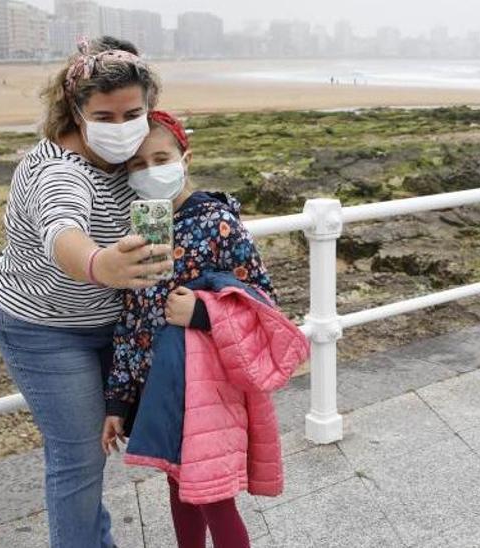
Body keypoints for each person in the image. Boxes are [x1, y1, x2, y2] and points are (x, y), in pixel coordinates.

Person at [0, 35, 168, 548]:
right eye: (103, 118)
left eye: (131, 114)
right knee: (80, 455)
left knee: (139, 427)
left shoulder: (135, 156)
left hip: (112, 323)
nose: (120, 127)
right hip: (42, 327)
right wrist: (97, 262)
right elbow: (62, 228)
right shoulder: (56, 171)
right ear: (75, 112)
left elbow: (169, 204)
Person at [103, 112, 307, 548]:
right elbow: (130, 319)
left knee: (213, 496)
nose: (150, 170)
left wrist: (202, 312)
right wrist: (118, 399)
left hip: (204, 385)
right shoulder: (135, 233)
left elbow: (262, 300)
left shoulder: (218, 223)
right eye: (137, 165)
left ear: (185, 158)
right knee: (178, 484)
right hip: (155, 383)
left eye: (160, 158)